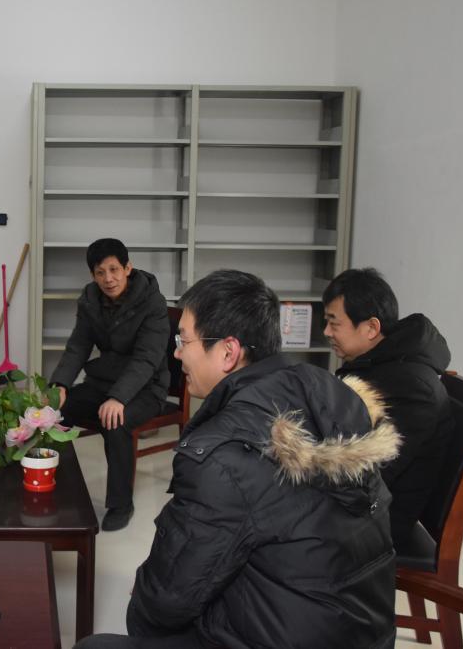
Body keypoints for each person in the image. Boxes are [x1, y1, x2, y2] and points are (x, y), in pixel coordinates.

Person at [75, 270, 399, 649]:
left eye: (184, 341)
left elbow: (166, 601)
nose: (176, 353)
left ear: (228, 352)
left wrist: (145, 599)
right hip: (363, 633)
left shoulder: (223, 454)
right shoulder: (327, 396)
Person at [323, 267, 453, 547]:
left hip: (377, 523)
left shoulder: (411, 387)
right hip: (362, 505)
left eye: (334, 323)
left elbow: (371, 476)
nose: (326, 332)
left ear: (371, 328)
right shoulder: (380, 365)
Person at [50, 238, 170, 531]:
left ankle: (120, 504)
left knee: (116, 422)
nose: (108, 279)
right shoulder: (90, 298)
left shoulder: (152, 302)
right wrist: (59, 385)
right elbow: (78, 345)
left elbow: (146, 359)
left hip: (146, 387)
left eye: (114, 269)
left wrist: (118, 397)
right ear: (92, 275)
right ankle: (52, 484)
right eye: (100, 272)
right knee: (53, 413)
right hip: (104, 381)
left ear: (128, 268)